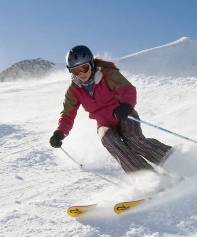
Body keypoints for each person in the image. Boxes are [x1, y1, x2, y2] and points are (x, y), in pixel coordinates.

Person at [49, 45, 173, 173]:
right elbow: (67, 114)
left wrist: (126, 105)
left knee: (134, 141)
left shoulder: (107, 74)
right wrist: (60, 133)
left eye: (84, 68)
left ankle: (174, 160)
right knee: (110, 141)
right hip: (104, 124)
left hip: (123, 113)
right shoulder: (74, 90)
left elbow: (127, 89)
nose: (81, 74)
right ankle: (146, 177)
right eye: (76, 71)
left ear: (91, 64)